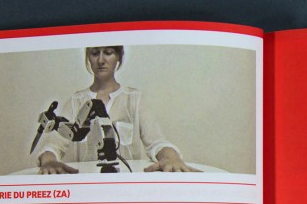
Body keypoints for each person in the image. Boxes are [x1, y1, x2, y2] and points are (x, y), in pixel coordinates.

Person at [36, 46, 198, 173]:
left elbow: (156, 142)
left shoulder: (134, 99)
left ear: (119, 56)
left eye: (108, 53)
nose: (101, 60)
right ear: (88, 58)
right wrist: (49, 161)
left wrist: (172, 158)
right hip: (88, 186)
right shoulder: (76, 101)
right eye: (94, 53)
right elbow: (54, 146)